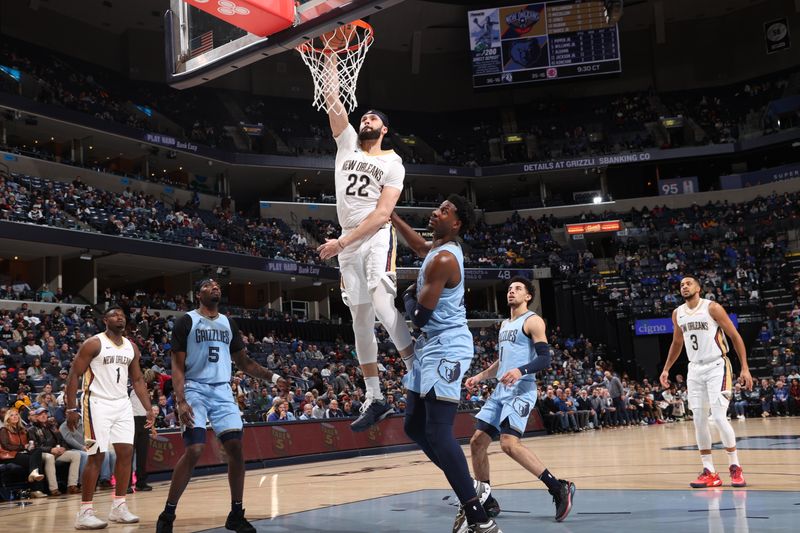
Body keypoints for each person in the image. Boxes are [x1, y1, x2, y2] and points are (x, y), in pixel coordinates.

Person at [391, 196, 501, 533]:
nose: (434, 212)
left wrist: (407, 295)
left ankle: (478, 517)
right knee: (413, 426)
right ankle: (472, 490)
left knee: (438, 432)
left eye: (444, 211)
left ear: (456, 224)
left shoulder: (442, 259)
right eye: (437, 207)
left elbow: (421, 316)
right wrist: (391, 217)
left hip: (447, 347)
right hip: (429, 348)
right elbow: (420, 245)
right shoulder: (436, 250)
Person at [316, 69, 414, 432]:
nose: (366, 120)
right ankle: (375, 397)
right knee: (359, 319)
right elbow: (333, 103)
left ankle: (417, 373)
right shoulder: (347, 145)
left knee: (382, 301)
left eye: (373, 118)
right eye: (363, 118)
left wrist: (342, 242)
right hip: (346, 240)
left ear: (384, 129)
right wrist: (328, 62)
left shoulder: (393, 163)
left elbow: (383, 213)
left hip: (373, 236)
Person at [156, 279, 285, 533]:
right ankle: (168, 513)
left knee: (236, 448)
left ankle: (236, 514)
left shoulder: (228, 323)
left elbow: (245, 363)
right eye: (208, 285)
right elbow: (177, 366)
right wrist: (180, 401)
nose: (215, 287)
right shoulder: (186, 321)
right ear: (198, 294)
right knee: (194, 450)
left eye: (217, 285)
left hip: (222, 390)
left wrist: (275, 378)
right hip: (194, 388)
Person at [466, 277, 575, 522]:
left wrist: (520, 371)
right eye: (509, 289)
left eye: (517, 289)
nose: (511, 292)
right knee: (477, 442)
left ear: (528, 296)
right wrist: (481, 376)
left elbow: (545, 360)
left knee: (508, 444)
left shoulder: (533, 321)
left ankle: (558, 487)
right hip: (500, 391)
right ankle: (487, 499)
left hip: (522, 389)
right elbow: (502, 363)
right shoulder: (505, 324)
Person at [65, 306, 156, 528]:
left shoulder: (131, 347)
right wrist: (70, 408)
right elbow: (73, 375)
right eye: (115, 315)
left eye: (122, 316)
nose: (120, 318)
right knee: (97, 455)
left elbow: (137, 380)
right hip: (96, 402)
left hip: (122, 403)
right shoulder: (94, 343)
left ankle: (119, 506)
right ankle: (85, 512)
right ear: (105, 320)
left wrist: (148, 408)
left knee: (126, 453)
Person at [660, 275, 753, 489]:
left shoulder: (712, 308)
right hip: (694, 369)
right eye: (681, 284)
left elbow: (735, 336)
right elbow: (677, 342)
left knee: (719, 418)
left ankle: (735, 467)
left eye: (688, 283)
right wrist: (666, 369)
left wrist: (745, 368)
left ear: (698, 288)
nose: (684, 286)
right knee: (699, 420)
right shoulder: (678, 314)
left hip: (717, 366)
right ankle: (710, 471)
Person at [0, 407, 47, 498]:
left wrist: (30, 446)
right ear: (8, 418)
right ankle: (36, 489)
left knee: (37, 451)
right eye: (12, 415)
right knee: (35, 461)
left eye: (16, 415)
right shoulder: (4, 430)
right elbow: (6, 446)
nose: (15, 417)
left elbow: (28, 444)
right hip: (9, 455)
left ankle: (34, 474)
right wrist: (23, 447)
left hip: (21, 453)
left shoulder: (23, 430)